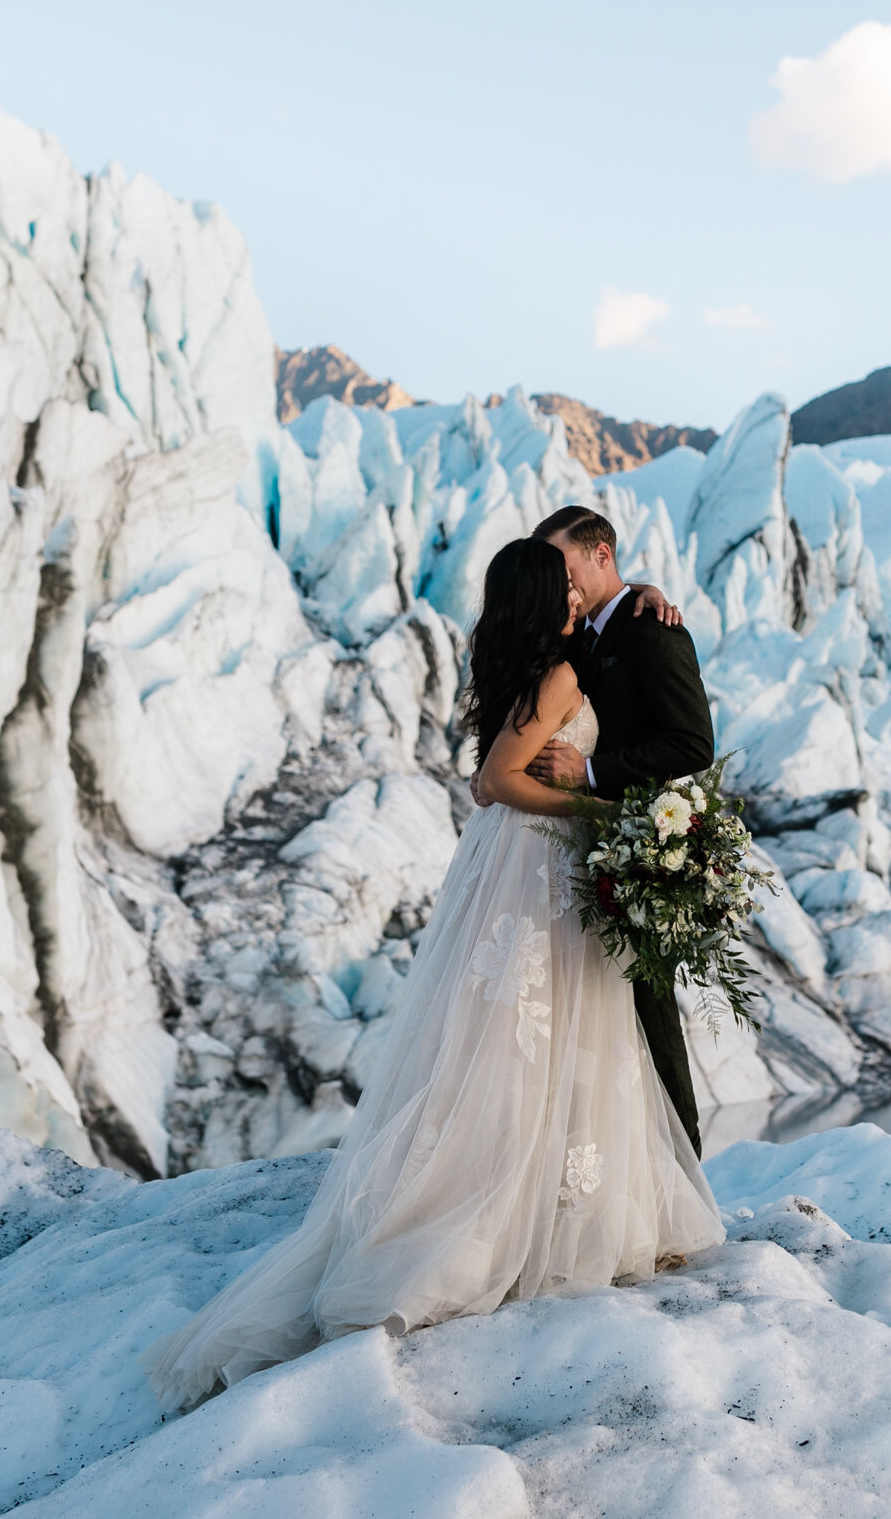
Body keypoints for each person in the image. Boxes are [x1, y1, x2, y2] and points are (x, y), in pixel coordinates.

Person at [145, 536, 724, 1409]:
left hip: (520, 863)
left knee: (523, 1036)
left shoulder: (534, 667)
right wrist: (599, 806)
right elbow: (496, 780)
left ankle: (532, 1188)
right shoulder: (560, 680)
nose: (576, 593)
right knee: (545, 1030)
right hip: (540, 860)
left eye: (580, 578)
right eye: (563, 585)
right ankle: (516, 1210)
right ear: (545, 597)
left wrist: (638, 589)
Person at [522, 504, 715, 1161]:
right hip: (585, 847)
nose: (560, 583)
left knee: (651, 1011)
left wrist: (593, 768)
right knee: (592, 1018)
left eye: (567, 566)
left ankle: (684, 1175)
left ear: (601, 554)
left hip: (643, 847)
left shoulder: (651, 629)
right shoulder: (584, 630)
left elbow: (694, 741)